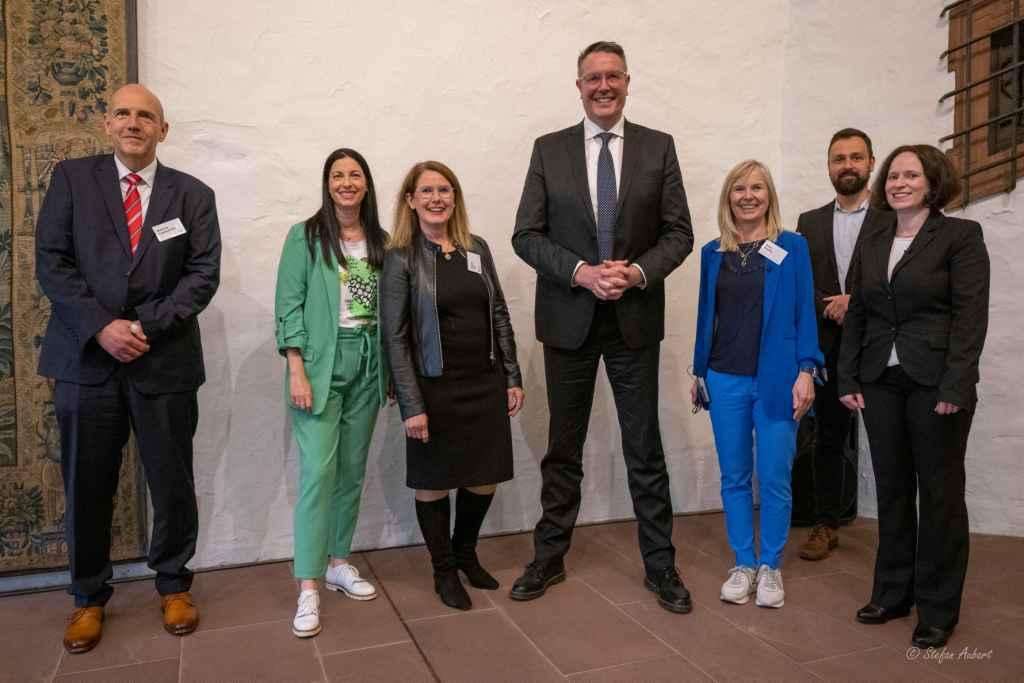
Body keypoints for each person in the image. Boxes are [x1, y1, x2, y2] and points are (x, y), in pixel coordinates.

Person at [35, 84, 221, 653]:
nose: (133, 123)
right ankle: (88, 596)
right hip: (86, 361)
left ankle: (173, 584)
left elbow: (203, 273)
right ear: (107, 123)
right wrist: (102, 327)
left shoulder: (193, 194)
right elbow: (52, 262)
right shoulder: (72, 180)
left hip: (164, 361)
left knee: (172, 481)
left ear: (163, 129)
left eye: (146, 115)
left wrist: (145, 326)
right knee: (87, 483)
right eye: (123, 113)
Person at [510, 40, 694, 614]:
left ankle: (661, 566)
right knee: (562, 448)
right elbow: (526, 235)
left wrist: (635, 272)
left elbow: (679, 233)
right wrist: (582, 273)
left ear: (628, 82)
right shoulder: (549, 150)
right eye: (593, 78)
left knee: (645, 448)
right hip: (569, 320)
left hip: (633, 320)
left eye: (613, 76)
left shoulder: (659, 148)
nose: (604, 86)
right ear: (579, 86)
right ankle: (549, 557)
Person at [838, 144, 989, 649]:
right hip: (880, 380)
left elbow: (970, 318)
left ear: (933, 182)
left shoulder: (961, 236)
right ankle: (892, 593)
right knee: (892, 489)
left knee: (940, 496)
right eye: (893, 176)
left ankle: (938, 609)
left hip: (935, 383)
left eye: (911, 175)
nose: (899, 183)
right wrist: (848, 377)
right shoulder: (874, 237)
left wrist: (956, 384)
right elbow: (858, 312)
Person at [381, 160, 525, 611]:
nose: (436, 198)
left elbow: (498, 312)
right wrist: (411, 404)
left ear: (455, 198)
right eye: (426, 191)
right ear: (411, 200)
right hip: (433, 387)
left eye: (445, 190)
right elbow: (395, 336)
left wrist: (512, 375)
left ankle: (466, 553)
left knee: (485, 477)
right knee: (434, 481)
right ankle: (443, 569)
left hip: (484, 381)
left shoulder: (476, 248)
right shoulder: (400, 257)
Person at [691, 160, 821, 608]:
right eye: (739, 188)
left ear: (769, 196)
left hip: (778, 379)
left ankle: (770, 566)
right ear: (728, 197)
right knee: (734, 476)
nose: (748, 196)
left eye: (757, 188)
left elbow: (804, 312)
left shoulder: (792, 246)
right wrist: (699, 371)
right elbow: (706, 315)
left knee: (775, 476)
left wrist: (807, 370)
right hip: (723, 377)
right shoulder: (713, 252)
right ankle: (743, 563)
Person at [275, 148, 390, 638]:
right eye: (338, 175)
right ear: (327, 184)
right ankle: (308, 585)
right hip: (320, 366)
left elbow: (382, 309)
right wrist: (296, 370)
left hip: (368, 362)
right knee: (318, 475)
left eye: (355, 175)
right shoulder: (304, 237)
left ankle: (339, 562)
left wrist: (387, 371)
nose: (346, 182)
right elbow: (289, 306)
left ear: (366, 184)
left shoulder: (381, 241)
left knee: (350, 470)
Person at [795, 128, 892, 561]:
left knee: (889, 441)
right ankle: (826, 524)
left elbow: (900, 274)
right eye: (839, 158)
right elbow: (802, 282)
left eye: (856, 157)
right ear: (829, 166)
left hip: (880, 347)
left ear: (871, 162)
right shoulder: (809, 222)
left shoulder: (892, 218)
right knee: (828, 438)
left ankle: (896, 530)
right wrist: (829, 305)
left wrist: (856, 301)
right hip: (830, 346)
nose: (847, 165)